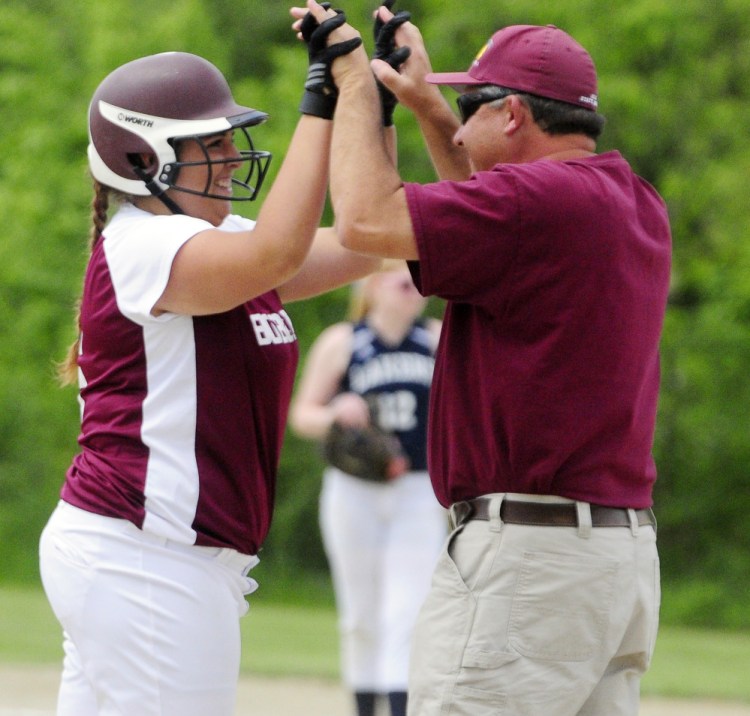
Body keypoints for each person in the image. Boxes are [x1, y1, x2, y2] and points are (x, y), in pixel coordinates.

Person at [290, 2, 672, 715]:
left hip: (530, 563)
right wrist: (431, 108)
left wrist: (356, 90)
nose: (461, 125)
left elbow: (367, 222)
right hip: (613, 562)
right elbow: (487, 202)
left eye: (473, 106)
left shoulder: (538, 205)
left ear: (516, 115)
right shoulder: (627, 198)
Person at [38, 11, 378, 715]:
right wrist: (318, 98)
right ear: (144, 159)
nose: (231, 159)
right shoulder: (142, 243)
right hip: (144, 560)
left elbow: (365, 241)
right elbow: (277, 254)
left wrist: (368, 104)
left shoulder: (213, 240)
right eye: (210, 146)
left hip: (152, 560)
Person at [289, 261, 446, 716]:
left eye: (420, 281)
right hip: (354, 490)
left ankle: (398, 707)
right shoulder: (344, 342)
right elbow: (303, 415)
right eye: (402, 281)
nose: (414, 290)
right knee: (360, 613)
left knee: (407, 608)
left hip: (417, 489)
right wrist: (337, 410)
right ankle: (363, 705)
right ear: (374, 285)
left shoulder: (436, 339)